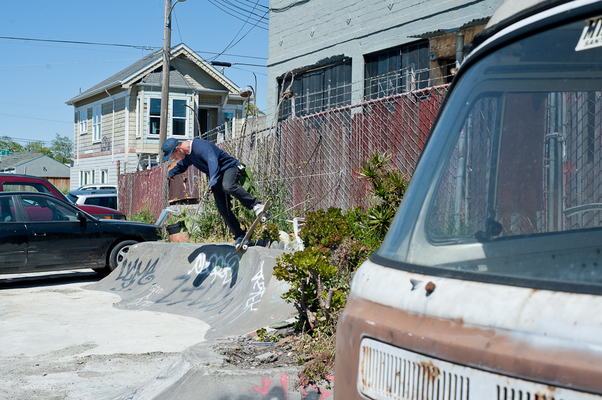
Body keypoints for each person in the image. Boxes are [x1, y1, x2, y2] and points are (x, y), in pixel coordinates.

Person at [162, 137, 265, 246]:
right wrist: (172, 173)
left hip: (229, 168)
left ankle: (256, 205)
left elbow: (213, 162)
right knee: (222, 208)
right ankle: (240, 235)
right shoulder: (187, 155)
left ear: (178, 149)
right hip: (217, 176)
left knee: (228, 186)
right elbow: (182, 165)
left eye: (174, 156)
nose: (175, 159)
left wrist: (212, 181)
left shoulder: (200, 146)